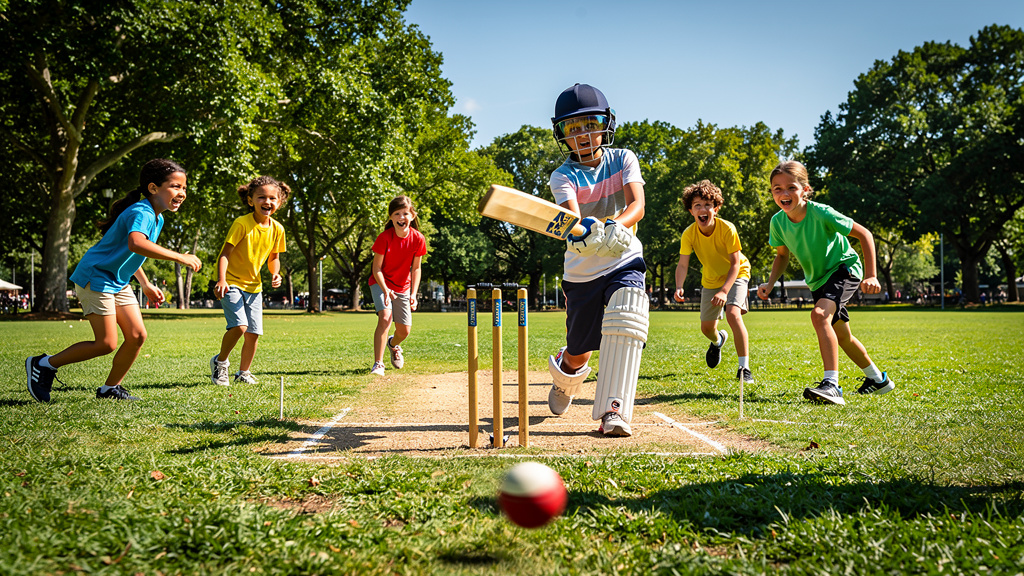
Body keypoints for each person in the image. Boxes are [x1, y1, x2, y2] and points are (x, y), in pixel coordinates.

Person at [25, 159, 202, 402]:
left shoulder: (157, 217)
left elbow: (134, 251)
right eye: (175, 186)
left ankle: (110, 389)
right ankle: (43, 364)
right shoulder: (142, 211)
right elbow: (136, 243)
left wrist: (145, 283)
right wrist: (180, 256)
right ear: (153, 188)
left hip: (117, 280)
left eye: (184, 188)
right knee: (106, 343)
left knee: (137, 336)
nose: (181, 193)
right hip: (95, 276)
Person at [545, 83, 649, 437]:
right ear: (563, 135)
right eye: (574, 128)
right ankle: (565, 373)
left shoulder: (623, 158)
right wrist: (583, 232)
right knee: (580, 353)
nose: (584, 134)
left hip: (623, 257)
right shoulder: (562, 176)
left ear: (606, 124)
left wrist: (613, 226)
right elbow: (571, 219)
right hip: (582, 268)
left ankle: (613, 412)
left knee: (626, 318)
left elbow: (638, 206)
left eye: (590, 123)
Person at [756, 161, 894, 405]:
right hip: (818, 280)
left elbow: (864, 234)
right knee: (843, 336)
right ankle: (877, 380)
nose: (784, 194)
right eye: (777, 189)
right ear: (771, 192)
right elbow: (781, 255)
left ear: (805, 189)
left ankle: (831, 385)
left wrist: (871, 275)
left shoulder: (821, 213)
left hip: (843, 269)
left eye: (791, 187)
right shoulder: (777, 222)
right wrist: (770, 283)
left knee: (819, 316)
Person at [209, 176, 289, 386]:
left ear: (279, 202)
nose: (267, 201)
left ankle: (243, 372)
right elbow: (225, 254)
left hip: (255, 286)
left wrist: (275, 273)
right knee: (240, 326)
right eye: (261, 197)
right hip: (232, 282)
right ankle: (220, 362)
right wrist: (221, 280)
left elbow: (274, 258)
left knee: (253, 333)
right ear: (250, 200)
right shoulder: (241, 223)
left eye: (273, 198)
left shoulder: (278, 229)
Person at [672, 180, 754, 385]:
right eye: (697, 205)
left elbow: (735, 264)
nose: (702, 209)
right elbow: (682, 265)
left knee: (733, 314)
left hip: (737, 273)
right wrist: (679, 286)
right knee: (707, 328)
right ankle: (718, 342)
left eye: (707, 205)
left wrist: (725, 291)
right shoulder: (689, 234)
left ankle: (744, 368)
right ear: (691, 211)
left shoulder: (727, 228)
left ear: (716, 209)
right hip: (710, 278)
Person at [368, 196, 426, 376]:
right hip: (381, 282)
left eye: (405, 213)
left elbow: (416, 268)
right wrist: (385, 290)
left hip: (403, 286)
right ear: (391, 218)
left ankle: (393, 344)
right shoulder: (384, 238)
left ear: (412, 215)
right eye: (397, 214)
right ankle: (378, 364)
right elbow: (376, 268)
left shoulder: (418, 239)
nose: (402, 217)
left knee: (404, 330)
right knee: (385, 317)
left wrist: (413, 294)